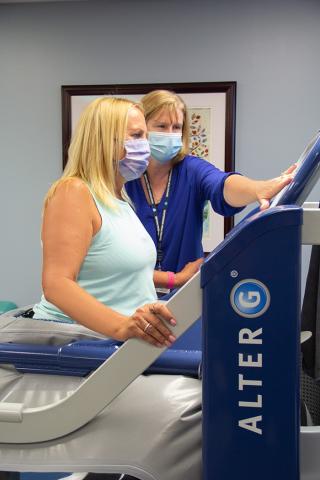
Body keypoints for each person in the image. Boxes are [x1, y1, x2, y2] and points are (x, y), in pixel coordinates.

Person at [29, 97, 201, 480]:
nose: (147, 144)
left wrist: (175, 283)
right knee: (193, 410)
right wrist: (123, 327)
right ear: (105, 140)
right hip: (79, 347)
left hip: (119, 348)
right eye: (137, 135)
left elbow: (118, 269)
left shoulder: (118, 197)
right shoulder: (73, 192)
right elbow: (57, 284)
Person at [126, 89, 295, 295]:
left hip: (184, 296)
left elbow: (222, 184)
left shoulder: (191, 170)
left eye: (176, 127)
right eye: (161, 126)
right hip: (131, 294)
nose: (170, 134)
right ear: (142, 128)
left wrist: (258, 188)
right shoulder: (125, 177)